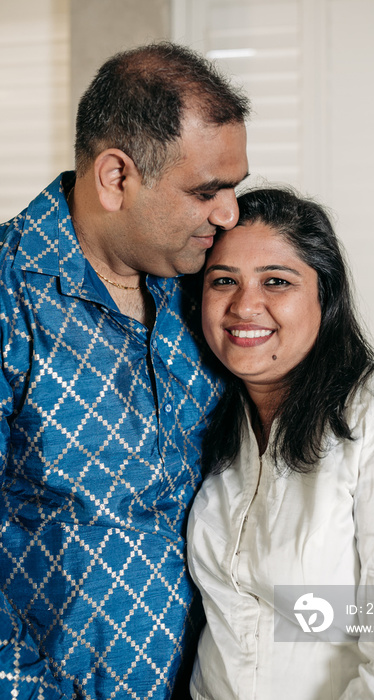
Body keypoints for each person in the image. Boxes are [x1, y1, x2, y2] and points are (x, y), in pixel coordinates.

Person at [0, 42, 249, 699]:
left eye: (234, 188)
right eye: (206, 191)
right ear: (116, 178)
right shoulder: (8, 297)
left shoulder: (215, 290)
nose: (228, 214)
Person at [187, 187, 374, 699]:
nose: (246, 305)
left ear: (326, 296)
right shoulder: (211, 419)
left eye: (277, 281)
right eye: (223, 281)